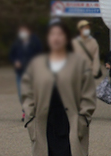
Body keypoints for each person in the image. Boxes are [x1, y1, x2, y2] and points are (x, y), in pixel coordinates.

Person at [21, 20, 96, 156]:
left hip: (71, 121)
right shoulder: (36, 64)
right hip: (45, 122)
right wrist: (31, 120)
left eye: (60, 34)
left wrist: (83, 119)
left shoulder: (79, 63)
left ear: (67, 38)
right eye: (52, 34)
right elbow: (27, 93)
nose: (56, 38)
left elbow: (88, 95)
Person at [10, 25, 43, 113]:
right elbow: (12, 54)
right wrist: (15, 61)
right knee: (21, 92)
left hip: (32, 72)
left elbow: (40, 55)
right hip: (20, 72)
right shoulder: (17, 42)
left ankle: (32, 110)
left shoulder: (35, 42)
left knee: (32, 92)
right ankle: (25, 110)